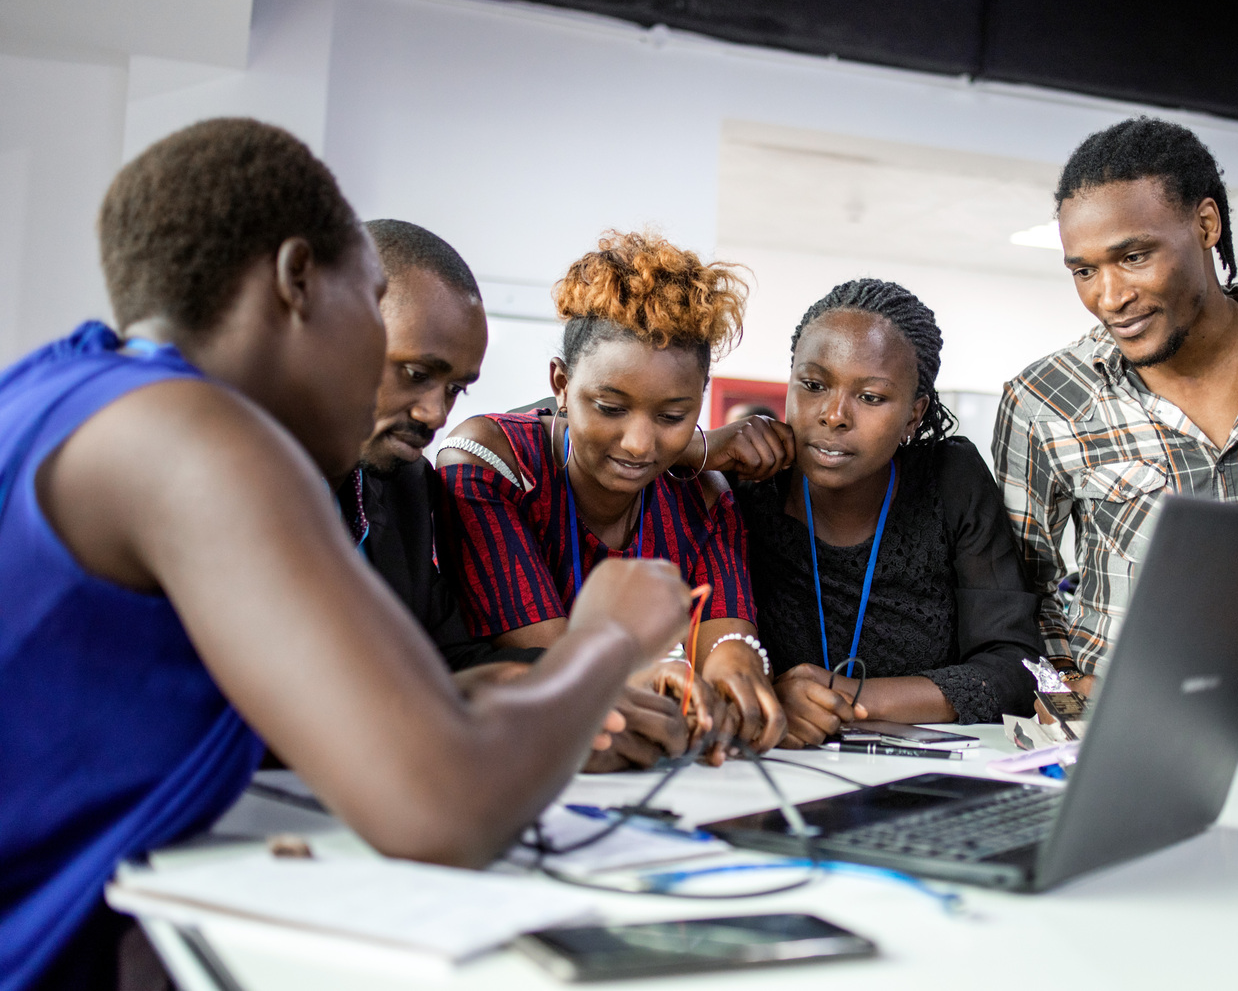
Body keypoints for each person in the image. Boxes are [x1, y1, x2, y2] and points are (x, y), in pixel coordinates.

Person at [0, 119, 693, 991]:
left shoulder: (56, 386)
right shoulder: (196, 436)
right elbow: (446, 808)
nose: (432, 408)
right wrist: (604, 638)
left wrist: (445, 699)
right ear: (297, 280)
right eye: (372, 302)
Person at [993, 117, 1238, 745]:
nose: (1109, 297)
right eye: (1084, 271)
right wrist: (1061, 686)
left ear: (1206, 225)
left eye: (1134, 257)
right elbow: (1014, 593)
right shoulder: (1045, 401)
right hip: (1128, 739)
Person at [344, 219, 708, 772]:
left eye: (454, 390)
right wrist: (553, 708)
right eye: (415, 374)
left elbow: (451, 661)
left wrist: (586, 697)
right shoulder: (246, 470)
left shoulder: (403, 487)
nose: (435, 415)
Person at [437, 231, 787, 756]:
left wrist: (738, 676)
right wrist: (666, 675)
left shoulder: (705, 500)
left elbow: (731, 638)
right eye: (610, 407)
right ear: (560, 383)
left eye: (673, 416)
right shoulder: (495, 466)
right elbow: (558, 672)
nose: (640, 445)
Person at [737, 279, 1041, 748]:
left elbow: (1014, 669)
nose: (834, 415)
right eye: (814, 385)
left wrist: (847, 697)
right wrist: (704, 453)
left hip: (927, 775)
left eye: (872, 397)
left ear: (914, 415)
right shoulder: (747, 490)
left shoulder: (950, 481)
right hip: (774, 763)